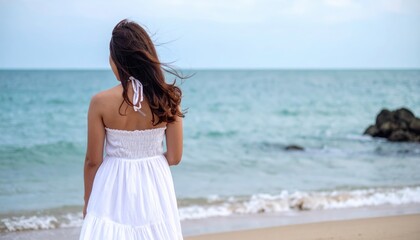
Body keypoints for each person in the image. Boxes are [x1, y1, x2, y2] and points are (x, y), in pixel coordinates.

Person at [79, 19, 185, 240]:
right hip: (155, 181)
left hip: (112, 184)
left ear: (117, 59)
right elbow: (174, 157)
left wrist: (89, 202)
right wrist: (148, 162)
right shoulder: (169, 97)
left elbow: (93, 161)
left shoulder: (100, 102)